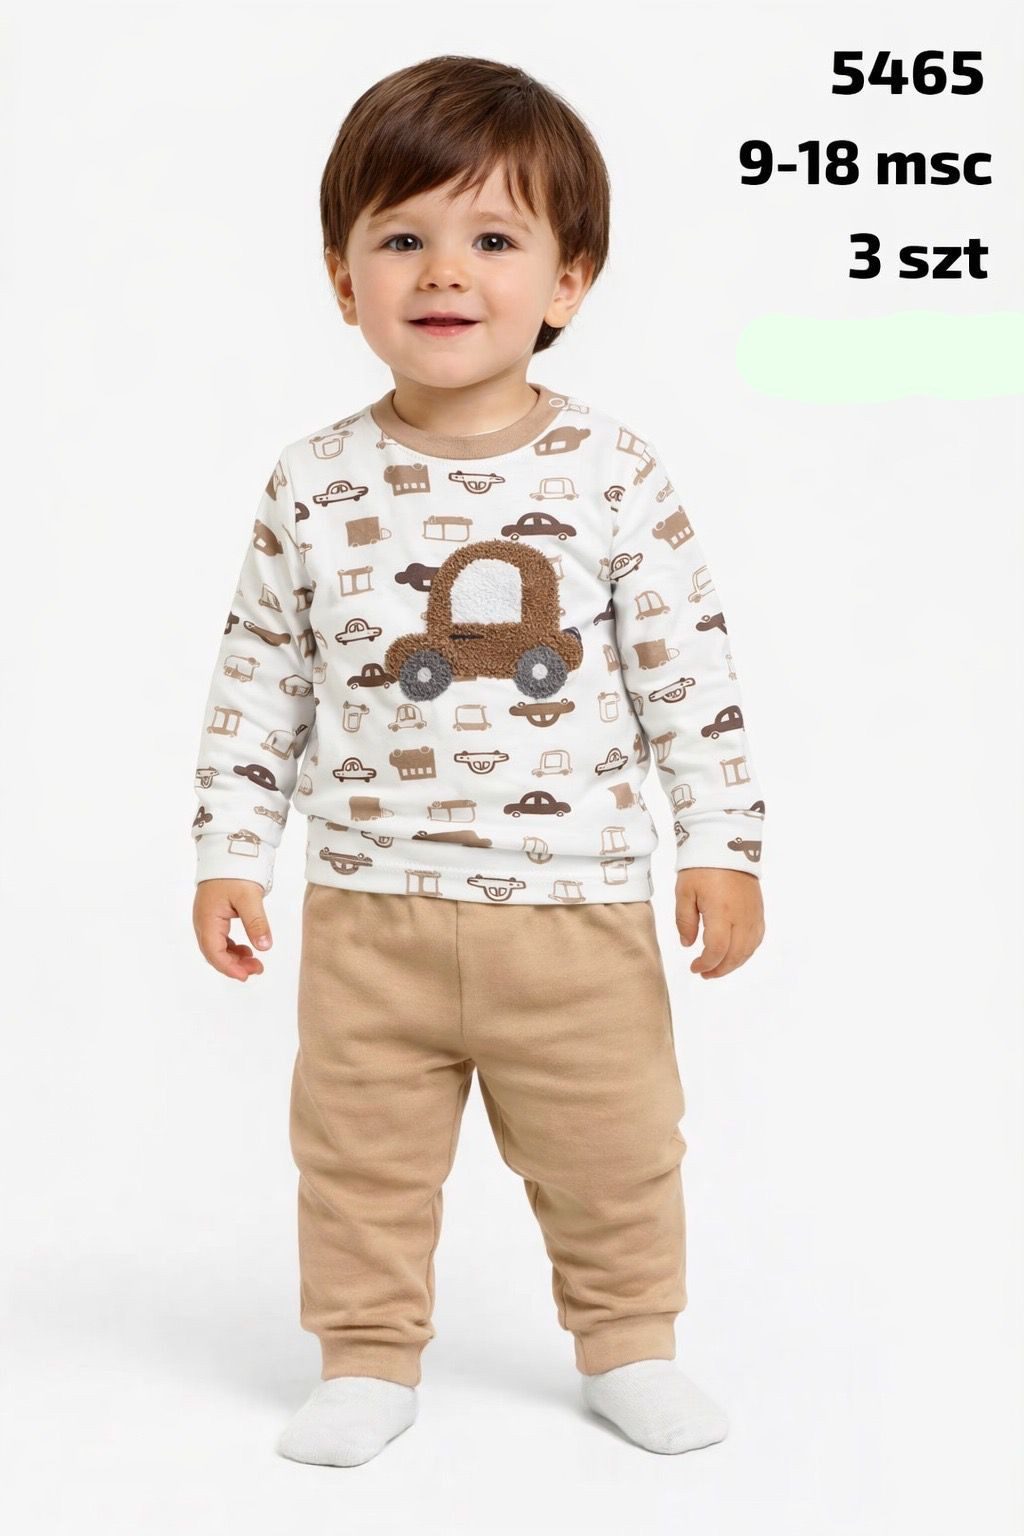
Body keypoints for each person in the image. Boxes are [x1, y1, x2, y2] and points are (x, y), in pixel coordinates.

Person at [191, 54, 766, 1467]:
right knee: (356, 1157)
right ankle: (365, 1356)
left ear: (569, 280)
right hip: (368, 912)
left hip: (575, 913)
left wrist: (722, 845)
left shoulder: (613, 471)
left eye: (494, 239)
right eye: (403, 237)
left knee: (618, 1146)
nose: (445, 271)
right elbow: (260, 682)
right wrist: (229, 853)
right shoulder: (313, 482)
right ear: (344, 281)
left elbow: (690, 676)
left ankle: (630, 1342)